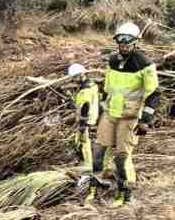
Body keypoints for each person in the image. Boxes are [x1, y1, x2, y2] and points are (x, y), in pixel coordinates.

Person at [86, 22, 160, 207]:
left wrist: (145, 121)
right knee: (97, 152)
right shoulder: (112, 61)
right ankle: (94, 187)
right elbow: (107, 89)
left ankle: (125, 193)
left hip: (130, 116)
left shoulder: (144, 64)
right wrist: (99, 112)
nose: (124, 43)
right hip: (111, 113)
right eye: (121, 40)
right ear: (117, 41)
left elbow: (154, 94)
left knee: (121, 157)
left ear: (135, 42)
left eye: (128, 40)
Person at [67, 63, 98, 170]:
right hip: (89, 119)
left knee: (84, 145)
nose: (74, 80)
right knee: (80, 144)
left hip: (85, 121)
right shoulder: (91, 85)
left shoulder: (86, 89)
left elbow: (85, 106)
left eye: (75, 77)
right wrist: (73, 103)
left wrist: (82, 124)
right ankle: (84, 164)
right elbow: (81, 105)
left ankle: (87, 167)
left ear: (81, 75)